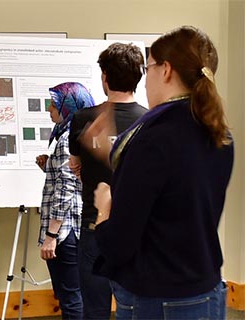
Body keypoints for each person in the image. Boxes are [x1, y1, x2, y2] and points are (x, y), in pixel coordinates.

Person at [93, 26, 233, 320]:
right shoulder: (218, 133)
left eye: (149, 68)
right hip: (206, 288)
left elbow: (120, 244)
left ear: (166, 70)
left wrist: (104, 208)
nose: (145, 81)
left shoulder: (151, 139)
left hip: (160, 298)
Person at [68, 42, 147, 319]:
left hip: (94, 226)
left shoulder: (83, 119)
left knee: (95, 310)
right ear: (138, 77)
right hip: (138, 230)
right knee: (137, 308)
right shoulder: (150, 121)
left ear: (104, 77)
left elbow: (74, 165)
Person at [36, 82, 95, 320]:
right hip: (74, 228)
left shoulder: (66, 140)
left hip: (64, 232)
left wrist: (51, 236)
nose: (49, 109)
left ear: (68, 106)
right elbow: (72, 177)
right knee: (73, 294)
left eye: (54, 104)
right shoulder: (79, 134)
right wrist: (48, 166)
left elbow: (65, 189)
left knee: (70, 298)